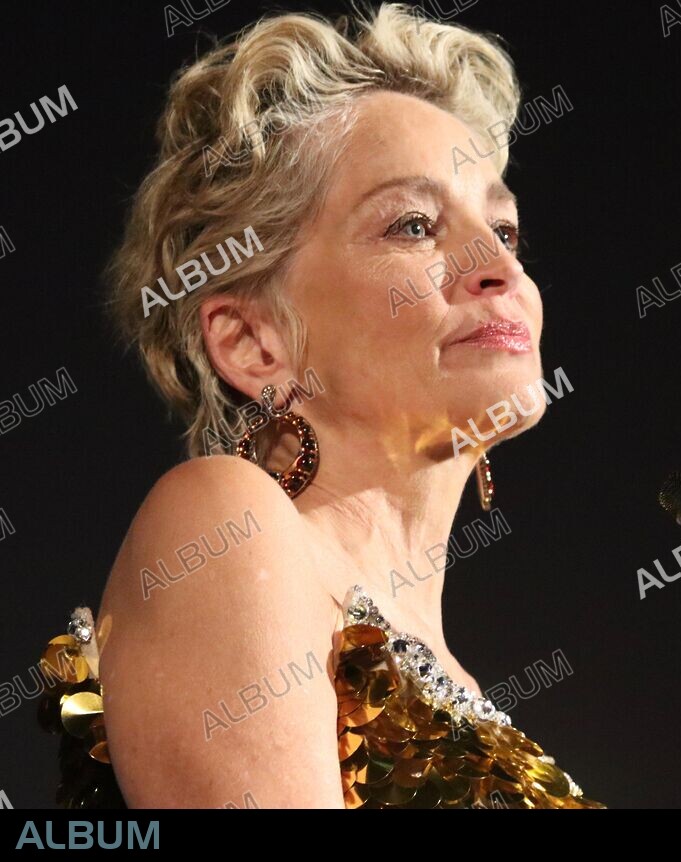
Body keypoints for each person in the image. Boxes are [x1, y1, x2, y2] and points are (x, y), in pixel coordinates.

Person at [36, 3, 604, 809]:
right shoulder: (225, 523)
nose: (496, 268)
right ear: (253, 342)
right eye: (413, 225)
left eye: (505, 231)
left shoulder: (463, 677)